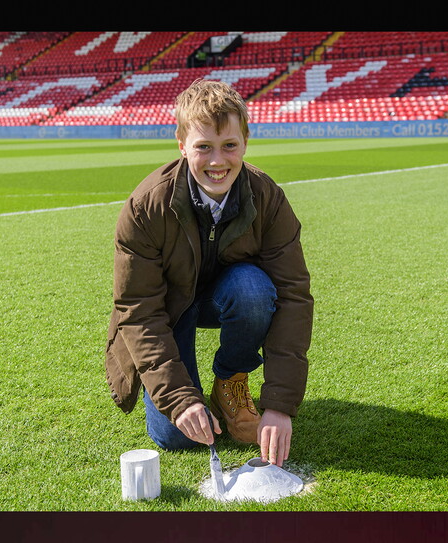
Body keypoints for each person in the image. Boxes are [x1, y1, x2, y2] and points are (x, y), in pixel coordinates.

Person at [104, 78, 313, 467]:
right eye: (203, 147)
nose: (218, 161)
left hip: (230, 297)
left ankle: (230, 382)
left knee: (253, 289)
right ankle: (191, 395)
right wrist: (180, 400)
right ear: (181, 145)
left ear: (245, 143)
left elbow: (293, 296)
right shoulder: (145, 208)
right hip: (167, 311)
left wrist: (280, 404)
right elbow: (138, 308)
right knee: (176, 437)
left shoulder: (267, 198)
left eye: (229, 146)